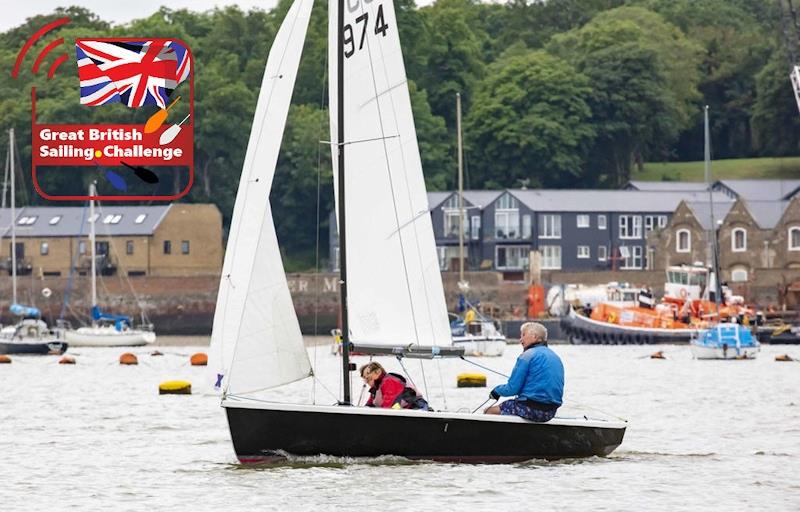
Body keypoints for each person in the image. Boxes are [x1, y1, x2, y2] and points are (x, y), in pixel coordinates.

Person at [484, 321, 563, 422]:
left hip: (530, 408)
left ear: (534, 336)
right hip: (550, 412)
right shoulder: (556, 357)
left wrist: (496, 391)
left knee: (488, 411)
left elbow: (512, 389)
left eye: (523, 335)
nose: (520, 339)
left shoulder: (527, 355)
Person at [360, 362, 430, 410]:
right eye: (365, 378)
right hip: (404, 412)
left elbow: (389, 405)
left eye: (368, 377)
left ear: (378, 371)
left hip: (416, 407)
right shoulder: (376, 389)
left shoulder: (389, 381)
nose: (366, 380)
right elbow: (369, 405)